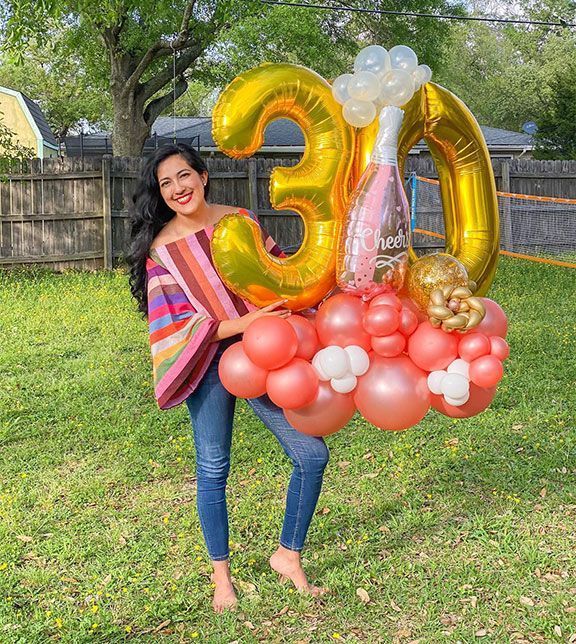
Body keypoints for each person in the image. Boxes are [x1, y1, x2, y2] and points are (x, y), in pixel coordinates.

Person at [127, 143, 329, 612]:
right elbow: (172, 325)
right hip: (207, 363)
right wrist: (241, 323)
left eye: (184, 176)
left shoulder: (240, 220)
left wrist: (313, 299)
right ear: (160, 193)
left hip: (263, 357)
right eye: (166, 183)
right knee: (213, 468)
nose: (178, 188)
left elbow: (278, 273)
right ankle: (223, 579)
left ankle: (287, 556)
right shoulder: (162, 251)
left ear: (203, 175)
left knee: (311, 453)